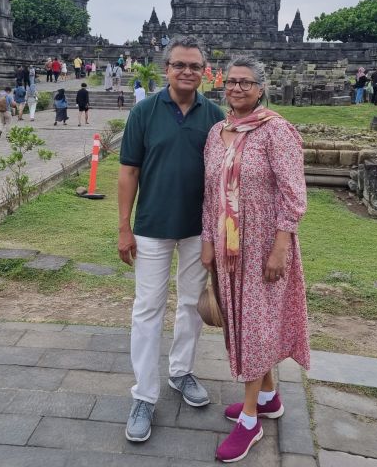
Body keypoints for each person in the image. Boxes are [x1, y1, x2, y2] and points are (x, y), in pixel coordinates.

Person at [201, 56, 310, 462]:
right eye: (231, 82)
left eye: (246, 82)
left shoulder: (275, 131)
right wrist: (209, 241)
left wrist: (280, 247)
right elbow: (211, 193)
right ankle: (267, 397)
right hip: (228, 247)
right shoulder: (217, 132)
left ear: (261, 88)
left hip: (265, 246)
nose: (238, 88)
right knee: (246, 323)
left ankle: (250, 422)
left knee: (255, 327)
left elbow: (293, 194)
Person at [117, 38, 225, 443]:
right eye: (179, 65)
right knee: (147, 308)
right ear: (166, 69)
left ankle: (181, 371)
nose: (186, 72)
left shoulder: (214, 116)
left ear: (204, 71)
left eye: (194, 66)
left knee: (192, 305)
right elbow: (128, 172)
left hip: (199, 227)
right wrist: (123, 226)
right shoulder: (144, 112)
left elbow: (223, 177)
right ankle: (144, 395)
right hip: (150, 226)